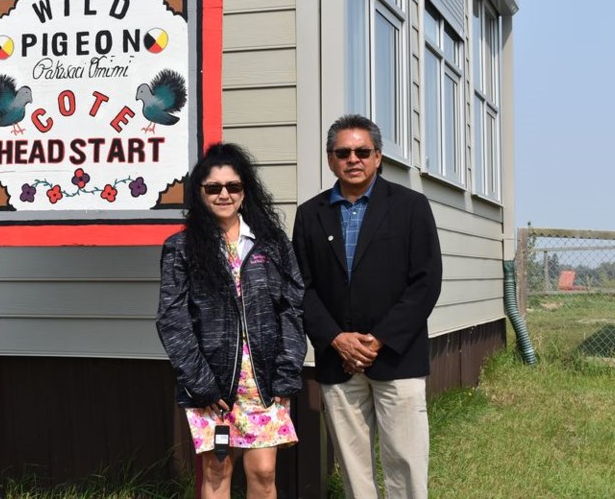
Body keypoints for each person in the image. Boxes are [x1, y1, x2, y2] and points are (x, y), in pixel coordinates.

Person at [292, 115, 442, 499]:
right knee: (354, 467)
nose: (353, 159)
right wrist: (336, 339)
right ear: (330, 159)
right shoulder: (310, 214)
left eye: (362, 151)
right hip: (337, 360)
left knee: (406, 462)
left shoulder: (411, 206)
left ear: (378, 157)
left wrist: (378, 341)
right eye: (343, 152)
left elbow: (425, 283)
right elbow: (301, 287)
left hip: (397, 357)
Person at [156, 143, 307, 499]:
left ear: (244, 190)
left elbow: (292, 307)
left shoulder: (271, 244)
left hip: (264, 380)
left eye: (233, 186)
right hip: (210, 385)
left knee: (264, 472)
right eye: (213, 187)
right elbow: (172, 318)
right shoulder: (180, 248)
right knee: (216, 471)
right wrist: (201, 384)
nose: (224, 194)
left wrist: (287, 373)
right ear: (200, 192)